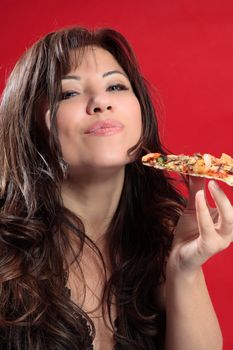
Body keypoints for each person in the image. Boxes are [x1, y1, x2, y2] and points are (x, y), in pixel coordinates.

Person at [0, 26, 232, 350]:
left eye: (115, 86)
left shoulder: (159, 232)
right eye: (68, 93)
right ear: (28, 122)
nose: (101, 103)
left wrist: (184, 270)